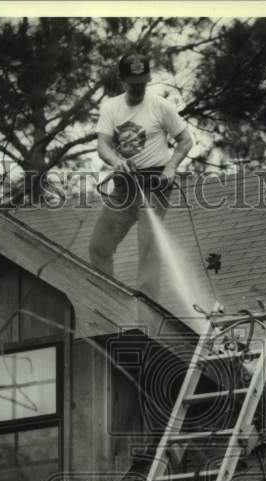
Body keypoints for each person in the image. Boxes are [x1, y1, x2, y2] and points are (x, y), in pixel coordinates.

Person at [88, 52, 193, 301]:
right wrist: (116, 161)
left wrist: (171, 168)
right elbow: (102, 146)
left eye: (142, 83)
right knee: (98, 246)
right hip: (124, 187)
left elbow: (185, 140)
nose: (138, 88)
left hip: (154, 186)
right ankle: (108, 302)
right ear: (123, 81)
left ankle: (147, 308)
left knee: (148, 247)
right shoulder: (111, 107)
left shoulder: (161, 106)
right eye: (133, 84)